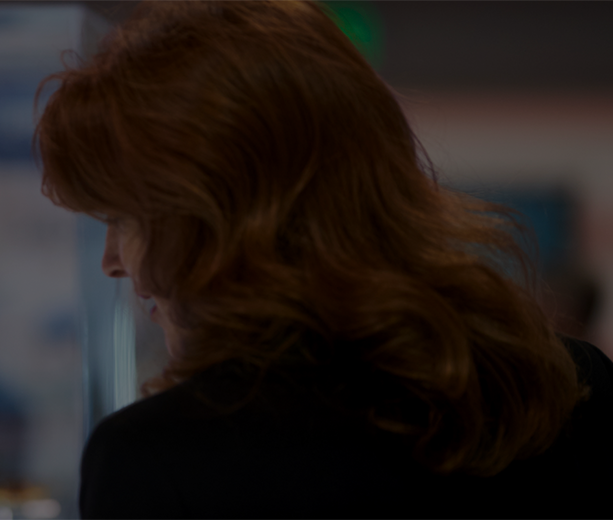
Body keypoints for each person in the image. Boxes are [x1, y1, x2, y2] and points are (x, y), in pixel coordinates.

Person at [33, 0, 613, 516]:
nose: (112, 260)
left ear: (217, 222)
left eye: (125, 220)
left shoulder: (157, 456)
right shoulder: (564, 388)